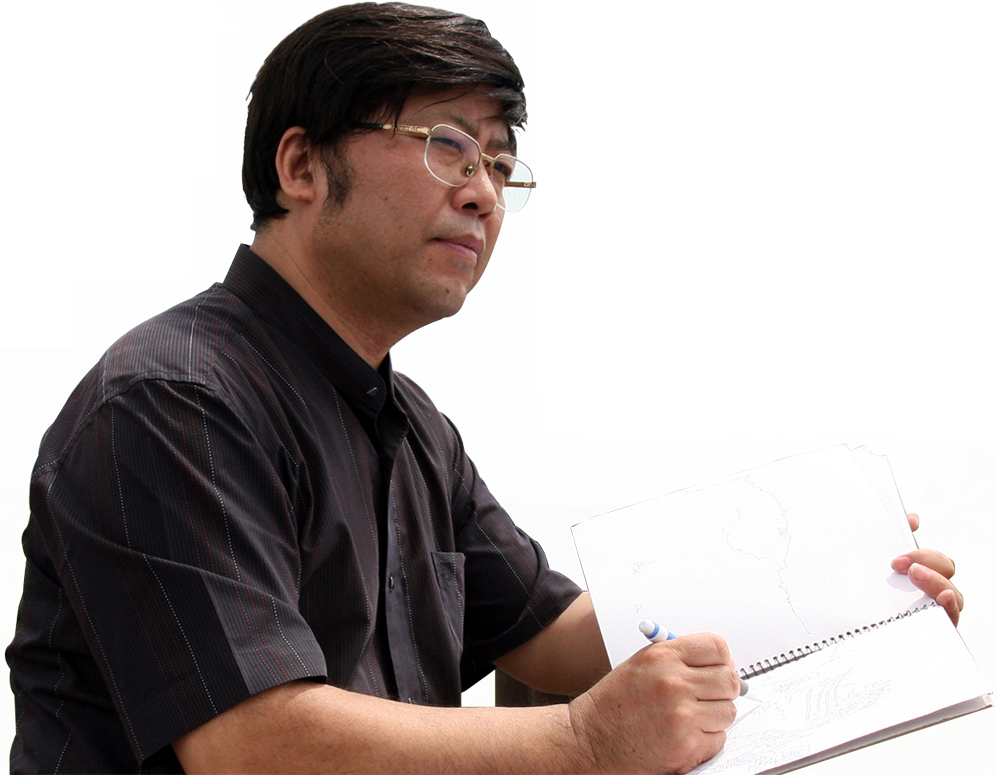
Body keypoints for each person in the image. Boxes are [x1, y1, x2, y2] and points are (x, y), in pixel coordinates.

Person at [6, 3, 964, 774]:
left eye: (500, 165)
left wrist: (839, 605)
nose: (484, 193)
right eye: (447, 147)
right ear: (300, 166)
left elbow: (551, 630)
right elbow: (254, 744)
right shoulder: (174, 400)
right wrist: (584, 742)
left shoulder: (411, 422)